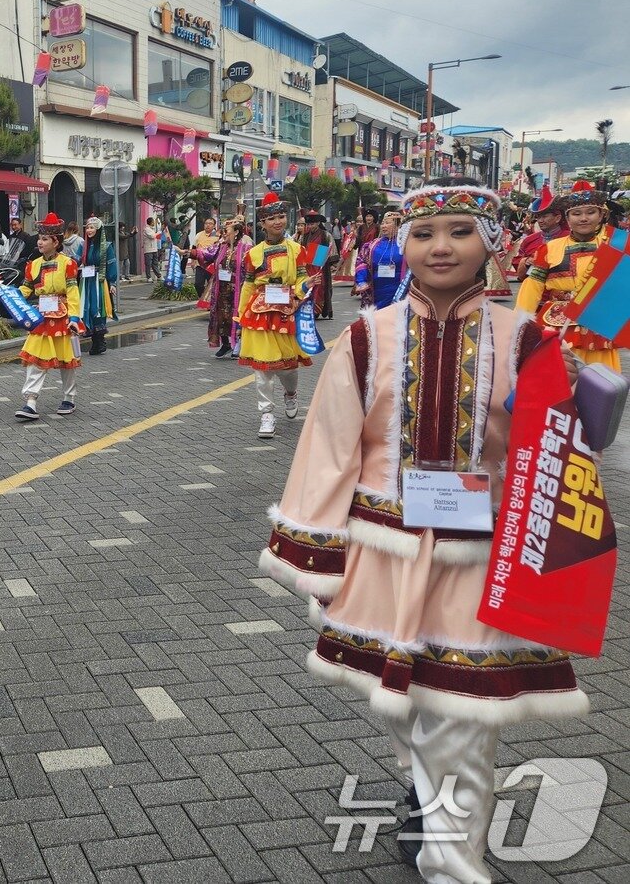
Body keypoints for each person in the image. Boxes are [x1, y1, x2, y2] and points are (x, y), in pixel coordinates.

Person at [260, 180, 588, 884]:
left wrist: (551, 567)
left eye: (460, 231)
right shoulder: (364, 337)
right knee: (405, 707)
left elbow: (553, 456)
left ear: (490, 244)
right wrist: (318, 559)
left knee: (464, 720)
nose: (441, 246)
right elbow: (328, 449)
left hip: (481, 557)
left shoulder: (525, 337)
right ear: (402, 244)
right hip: (383, 552)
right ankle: (424, 784)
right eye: (425, 232)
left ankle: (451, 862)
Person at [517, 179, 621, 372]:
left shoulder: (617, 244)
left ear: (602, 215)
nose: (583, 218)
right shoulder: (549, 248)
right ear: (567, 217)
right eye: (576, 213)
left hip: (598, 322)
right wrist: (520, 324)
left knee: (600, 385)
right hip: (556, 324)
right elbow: (532, 287)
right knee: (557, 385)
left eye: (591, 212)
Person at [238, 194, 312, 439]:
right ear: (263, 223)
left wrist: (304, 287)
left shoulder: (297, 250)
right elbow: (248, 286)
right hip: (259, 313)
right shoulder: (254, 254)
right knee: (263, 369)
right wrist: (240, 315)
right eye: (272, 218)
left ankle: (291, 394)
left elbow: (301, 278)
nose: (278, 222)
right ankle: (266, 414)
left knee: (288, 368)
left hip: (287, 311)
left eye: (281, 216)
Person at [14, 214, 81, 420]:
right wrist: (7, 294)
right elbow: (26, 289)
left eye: (44, 239)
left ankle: (69, 397)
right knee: (35, 360)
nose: (40, 242)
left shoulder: (68, 263)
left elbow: (72, 291)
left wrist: (75, 317)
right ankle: (30, 402)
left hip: (63, 316)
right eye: (39, 238)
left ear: (56, 241)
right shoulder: (32, 264)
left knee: (66, 360)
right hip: (41, 318)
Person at [200, 220, 247, 358]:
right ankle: (226, 344)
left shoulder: (246, 248)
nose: (223, 233)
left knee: (236, 316)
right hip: (222, 289)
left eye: (226, 231)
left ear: (236, 232)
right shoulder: (220, 247)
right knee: (221, 317)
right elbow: (205, 254)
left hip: (238, 289)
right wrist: (186, 252)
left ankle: (238, 343)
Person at [79, 217, 118, 356]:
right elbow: (76, 261)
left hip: (99, 281)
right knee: (87, 309)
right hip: (86, 281)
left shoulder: (107, 246)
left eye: (92, 228)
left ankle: (99, 341)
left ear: (98, 229)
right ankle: (94, 340)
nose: (89, 230)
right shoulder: (83, 246)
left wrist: (112, 283)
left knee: (98, 309)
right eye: (87, 228)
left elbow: (111, 264)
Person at [354, 210, 405, 310]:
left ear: (398, 225)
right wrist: (361, 280)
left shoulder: (406, 245)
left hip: (399, 288)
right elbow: (362, 261)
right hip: (376, 288)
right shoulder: (371, 245)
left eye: (387, 223)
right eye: (382, 223)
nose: (383, 226)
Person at [512, 188, 567, 280]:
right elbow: (516, 261)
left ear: (557, 218)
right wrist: (526, 261)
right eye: (538, 217)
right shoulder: (529, 240)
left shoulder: (569, 237)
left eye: (544, 216)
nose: (540, 221)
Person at [300, 211, 338, 320]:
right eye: (308, 224)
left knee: (319, 287)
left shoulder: (325, 235)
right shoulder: (305, 236)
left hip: (321, 265)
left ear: (318, 223)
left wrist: (332, 263)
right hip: (307, 266)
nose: (310, 226)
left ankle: (317, 309)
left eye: (312, 224)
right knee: (308, 287)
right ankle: (309, 308)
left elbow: (332, 248)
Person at [191, 216, 218, 296]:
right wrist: (193, 261)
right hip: (200, 264)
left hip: (212, 265)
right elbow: (194, 248)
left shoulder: (217, 236)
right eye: (206, 223)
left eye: (210, 224)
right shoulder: (199, 235)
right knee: (198, 284)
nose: (208, 225)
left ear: (214, 226)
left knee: (212, 284)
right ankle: (202, 298)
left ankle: (210, 302)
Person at [141, 216, 161, 282]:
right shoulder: (146, 229)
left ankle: (159, 276)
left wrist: (158, 224)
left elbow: (156, 233)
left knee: (155, 263)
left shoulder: (152, 229)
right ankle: (148, 277)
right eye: (153, 222)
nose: (154, 223)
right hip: (148, 249)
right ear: (150, 222)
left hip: (154, 248)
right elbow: (152, 236)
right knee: (148, 264)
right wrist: (158, 233)